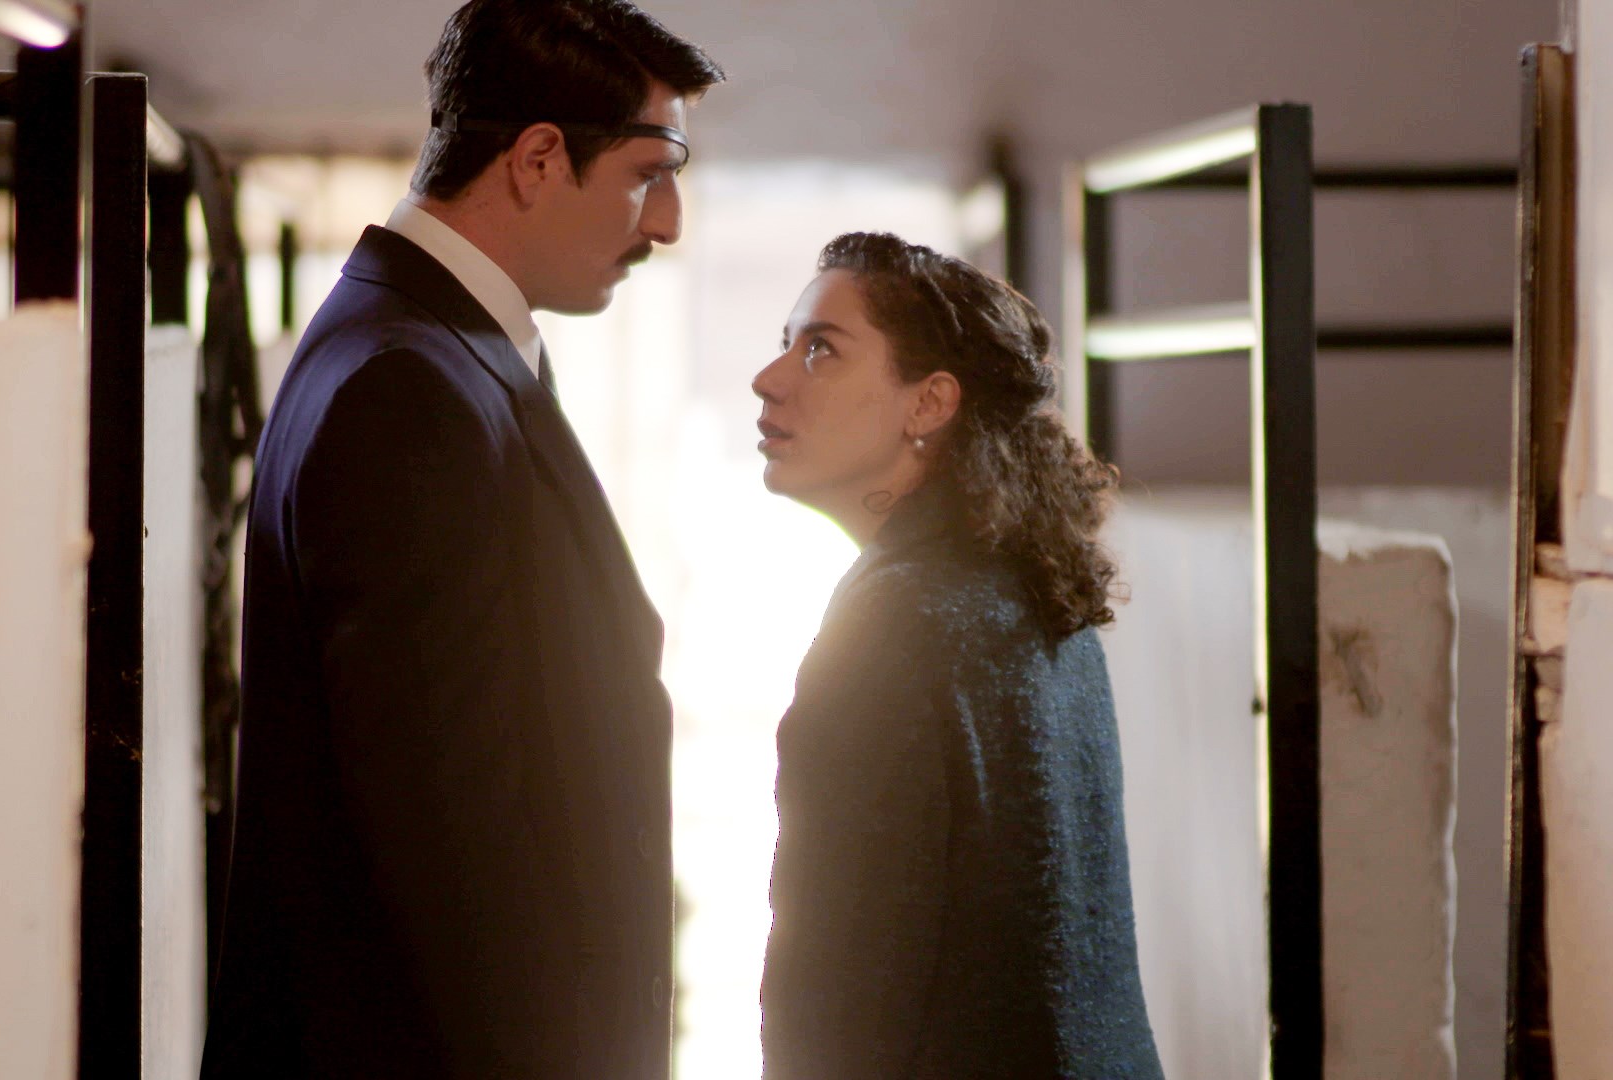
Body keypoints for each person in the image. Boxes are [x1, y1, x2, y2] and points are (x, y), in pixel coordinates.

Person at [200, 3, 722, 1077]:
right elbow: (453, 855)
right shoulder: (410, 388)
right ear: (537, 159)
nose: (668, 223)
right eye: (649, 174)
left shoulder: (428, 344)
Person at [753, 232, 1164, 1078]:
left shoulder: (895, 624)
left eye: (821, 349)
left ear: (930, 403)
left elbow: (835, 1008)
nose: (770, 377)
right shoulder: (1035, 588)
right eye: (786, 344)